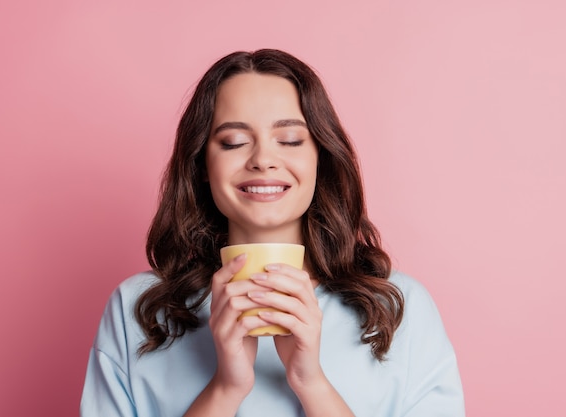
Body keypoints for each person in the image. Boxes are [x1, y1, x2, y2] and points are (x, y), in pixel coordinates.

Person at [80, 49, 465, 417]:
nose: (263, 159)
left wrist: (310, 383)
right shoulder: (139, 311)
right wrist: (225, 388)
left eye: (290, 140)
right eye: (233, 142)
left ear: (321, 157)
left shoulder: (397, 307)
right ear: (201, 163)